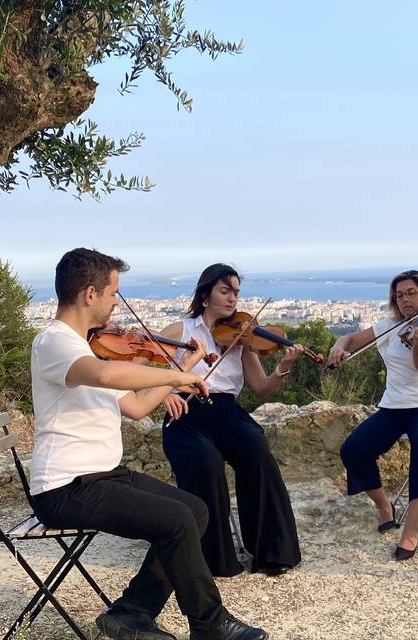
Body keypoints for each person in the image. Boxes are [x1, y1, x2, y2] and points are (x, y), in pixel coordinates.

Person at [28, 248, 267, 640]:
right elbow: (105, 376)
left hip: (102, 475)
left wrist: (179, 371)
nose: (115, 304)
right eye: (113, 294)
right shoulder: (54, 342)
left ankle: (130, 613)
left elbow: (137, 407)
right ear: (90, 294)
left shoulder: (85, 346)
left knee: (195, 509)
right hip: (64, 487)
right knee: (175, 522)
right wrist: (174, 380)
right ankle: (210, 624)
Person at [157, 263, 303, 578]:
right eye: (225, 291)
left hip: (226, 409)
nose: (233, 299)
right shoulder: (180, 331)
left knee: (256, 448)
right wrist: (163, 391)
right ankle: (213, 558)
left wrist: (282, 367)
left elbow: (262, 387)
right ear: (205, 294)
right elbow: (137, 366)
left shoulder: (240, 336)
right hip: (185, 411)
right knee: (205, 462)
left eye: (236, 292)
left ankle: (270, 551)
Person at [328, 270, 418, 561]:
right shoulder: (388, 326)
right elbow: (350, 338)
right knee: (354, 450)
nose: (405, 299)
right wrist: (339, 345)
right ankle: (384, 506)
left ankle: (411, 529)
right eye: (399, 295)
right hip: (393, 407)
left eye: (411, 293)